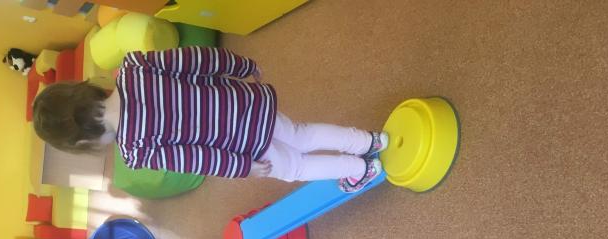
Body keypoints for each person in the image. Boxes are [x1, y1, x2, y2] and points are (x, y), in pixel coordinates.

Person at [32, 46, 388, 193]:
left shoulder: (136, 151)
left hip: (244, 147)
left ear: (82, 141)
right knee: (302, 134)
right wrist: (241, 65)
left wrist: (242, 167)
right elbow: (197, 59)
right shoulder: (133, 68)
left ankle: (360, 168)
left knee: (296, 166)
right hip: (248, 104)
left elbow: (196, 158)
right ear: (82, 90)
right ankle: (369, 141)